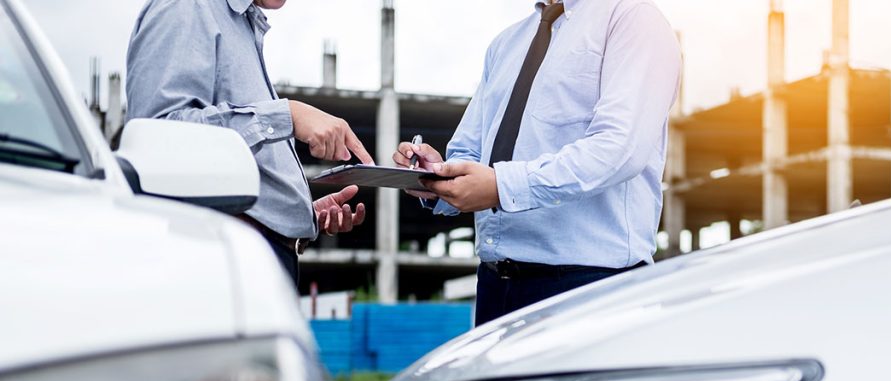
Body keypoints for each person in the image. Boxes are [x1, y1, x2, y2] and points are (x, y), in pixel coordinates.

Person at [393, 0, 680, 326]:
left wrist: (501, 187)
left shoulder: (632, 18)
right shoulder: (506, 43)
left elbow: (618, 149)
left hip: (590, 286)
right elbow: (471, 152)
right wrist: (437, 176)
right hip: (495, 287)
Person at [126, 0, 372, 286]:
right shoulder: (187, 6)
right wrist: (288, 115)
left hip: (253, 258)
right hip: (220, 264)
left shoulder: (239, 24)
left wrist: (296, 213)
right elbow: (157, 137)